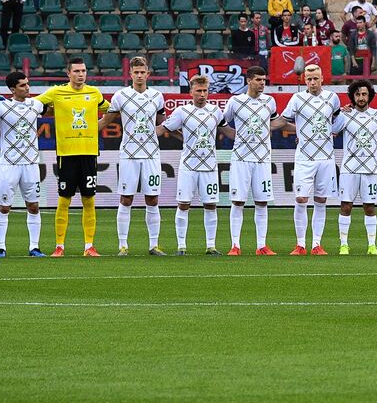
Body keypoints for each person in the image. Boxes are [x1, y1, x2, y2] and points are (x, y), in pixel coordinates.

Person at [36, 58, 109, 256]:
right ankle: (59, 246)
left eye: (83, 70)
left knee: (89, 199)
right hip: (66, 154)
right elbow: (33, 105)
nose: (81, 74)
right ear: (68, 74)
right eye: (76, 71)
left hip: (88, 153)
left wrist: (98, 126)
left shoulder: (94, 93)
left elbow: (112, 109)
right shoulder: (56, 92)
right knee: (64, 200)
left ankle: (89, 246)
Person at [98, 58, 168, 257]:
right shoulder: (120, 96)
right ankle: (123, 245)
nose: (139, 75)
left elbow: (163, 123)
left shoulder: (157, 96)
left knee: (152, 198)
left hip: (151, 154)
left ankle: (154, 245)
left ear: (148, 74)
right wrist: (86, 132)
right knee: (126, 198)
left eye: (142, 72)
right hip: (128, 154)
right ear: (130, 74)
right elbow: (106, 120)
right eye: (135, 72)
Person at [280, 65, 345, 256]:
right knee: (301, 199)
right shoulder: (297, 98)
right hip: (304, 157)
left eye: (316, 78)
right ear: (304, 80)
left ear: (322, 78)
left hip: (325, 157)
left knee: (321, 200)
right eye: (309, 79)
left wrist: (333, 131)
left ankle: (316, 244)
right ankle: (300, 244)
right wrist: (298, 131)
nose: (312, 82)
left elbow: (337, 120)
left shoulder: (332, 98)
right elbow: (284, 120)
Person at [220, 66, 283, 255]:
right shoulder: (236, 101)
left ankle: (261, 246)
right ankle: (235, 245)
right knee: (238, 201)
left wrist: (301, 131)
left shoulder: (269, 102)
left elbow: (276, 122)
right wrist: (236, 137)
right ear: (249, 81)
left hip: (263, 158)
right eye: (258, 80)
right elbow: (222, 123)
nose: (262, 83)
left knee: (262, 202)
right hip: (241, 158)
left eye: (264, 80)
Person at [159, 74, 225, 255]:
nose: (202, 95)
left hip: (210, 166)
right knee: (183, 204)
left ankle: (211, 245)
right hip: (188, 165)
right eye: (198, 91)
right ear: (191, 92)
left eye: (205, 91)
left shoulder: (216, 111)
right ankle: (181, 246)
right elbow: (166, 128)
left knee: (211, 205)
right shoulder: (182, 112)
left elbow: (224, 129)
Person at [0, 72, 46, 256]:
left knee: (34, 206)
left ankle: (34, 247)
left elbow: (52, 106)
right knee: (4, 207)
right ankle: (0, 247)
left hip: (30, 164)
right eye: (22, 85)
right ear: (13, 89)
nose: (27, 87)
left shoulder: (35, 104)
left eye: (28, 84)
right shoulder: (1, 107)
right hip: (9, 164)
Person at [335, 80, 377, 255]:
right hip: (349, 168)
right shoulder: (344, 115)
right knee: (346, 206)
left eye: (364, 94)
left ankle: (371, 245)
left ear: (369, 95)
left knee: (369, 207)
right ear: (352, 96)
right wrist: (339, 112)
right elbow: (330, 131)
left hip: (370, 168)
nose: (361, 97)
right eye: (357, 94)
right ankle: (344, 245)